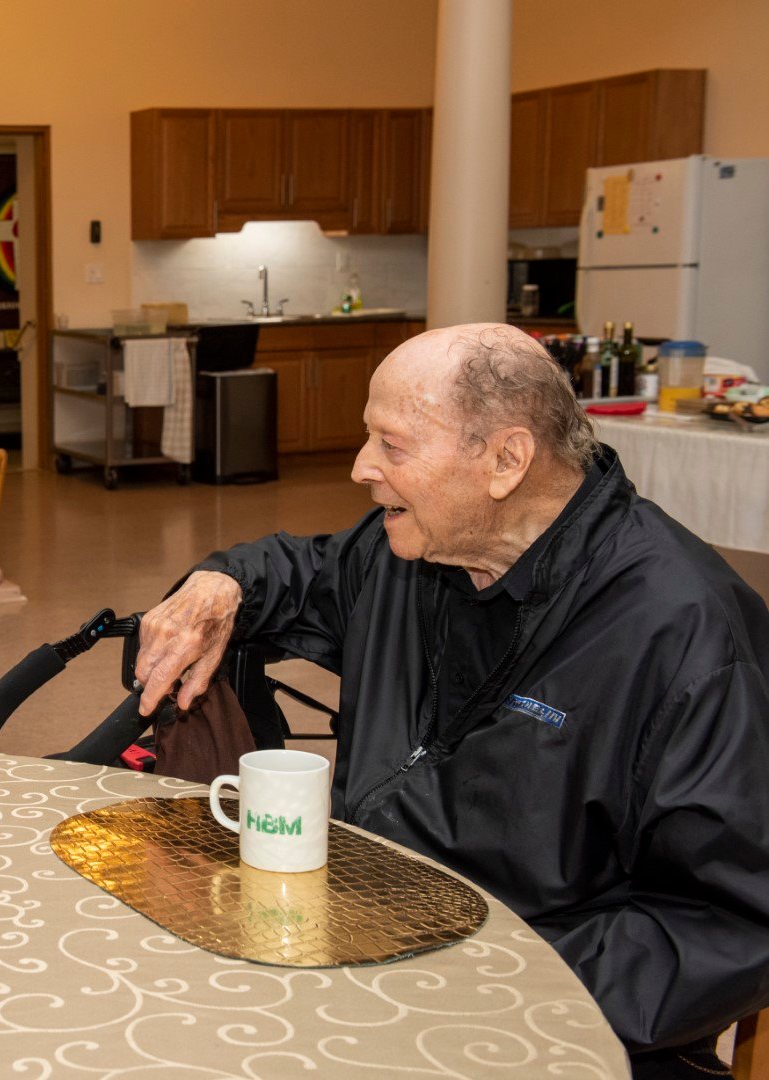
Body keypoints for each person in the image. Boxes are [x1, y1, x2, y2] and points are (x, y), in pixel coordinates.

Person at [135, 323, 769, 1077]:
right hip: (370, 960)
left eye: (392, 446)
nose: (361, 468)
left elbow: (732, 924)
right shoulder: (412, 551)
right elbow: (300, 569)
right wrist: (221, 584)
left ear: (506, 460)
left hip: (555, 1028)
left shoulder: (685, 635)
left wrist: (501, 978)